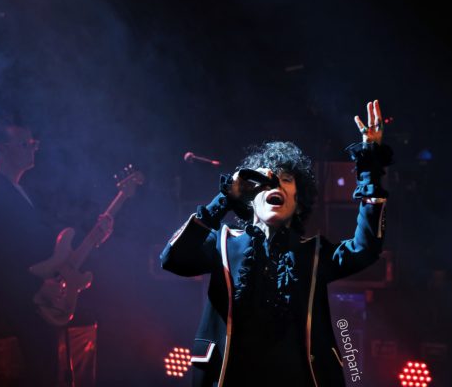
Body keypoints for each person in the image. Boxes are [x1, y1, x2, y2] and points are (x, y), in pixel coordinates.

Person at [160, 100, 393, 386]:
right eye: (266, 180)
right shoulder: (222, 244)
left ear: (297, 201)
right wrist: (224, 200)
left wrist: (370, 166)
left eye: (286, 179)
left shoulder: (314, 253)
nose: (276, 185)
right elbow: (172, 259)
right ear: (249, 198)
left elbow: (366, 249)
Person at [0, 123, 112, 386]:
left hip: (36, 299)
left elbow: (48, 249)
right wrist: (36, 285)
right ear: (1, 150)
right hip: (20, 303)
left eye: (34, 144)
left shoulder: (22, 191)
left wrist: (95, 238)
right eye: (25, 144)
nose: (33, 149)